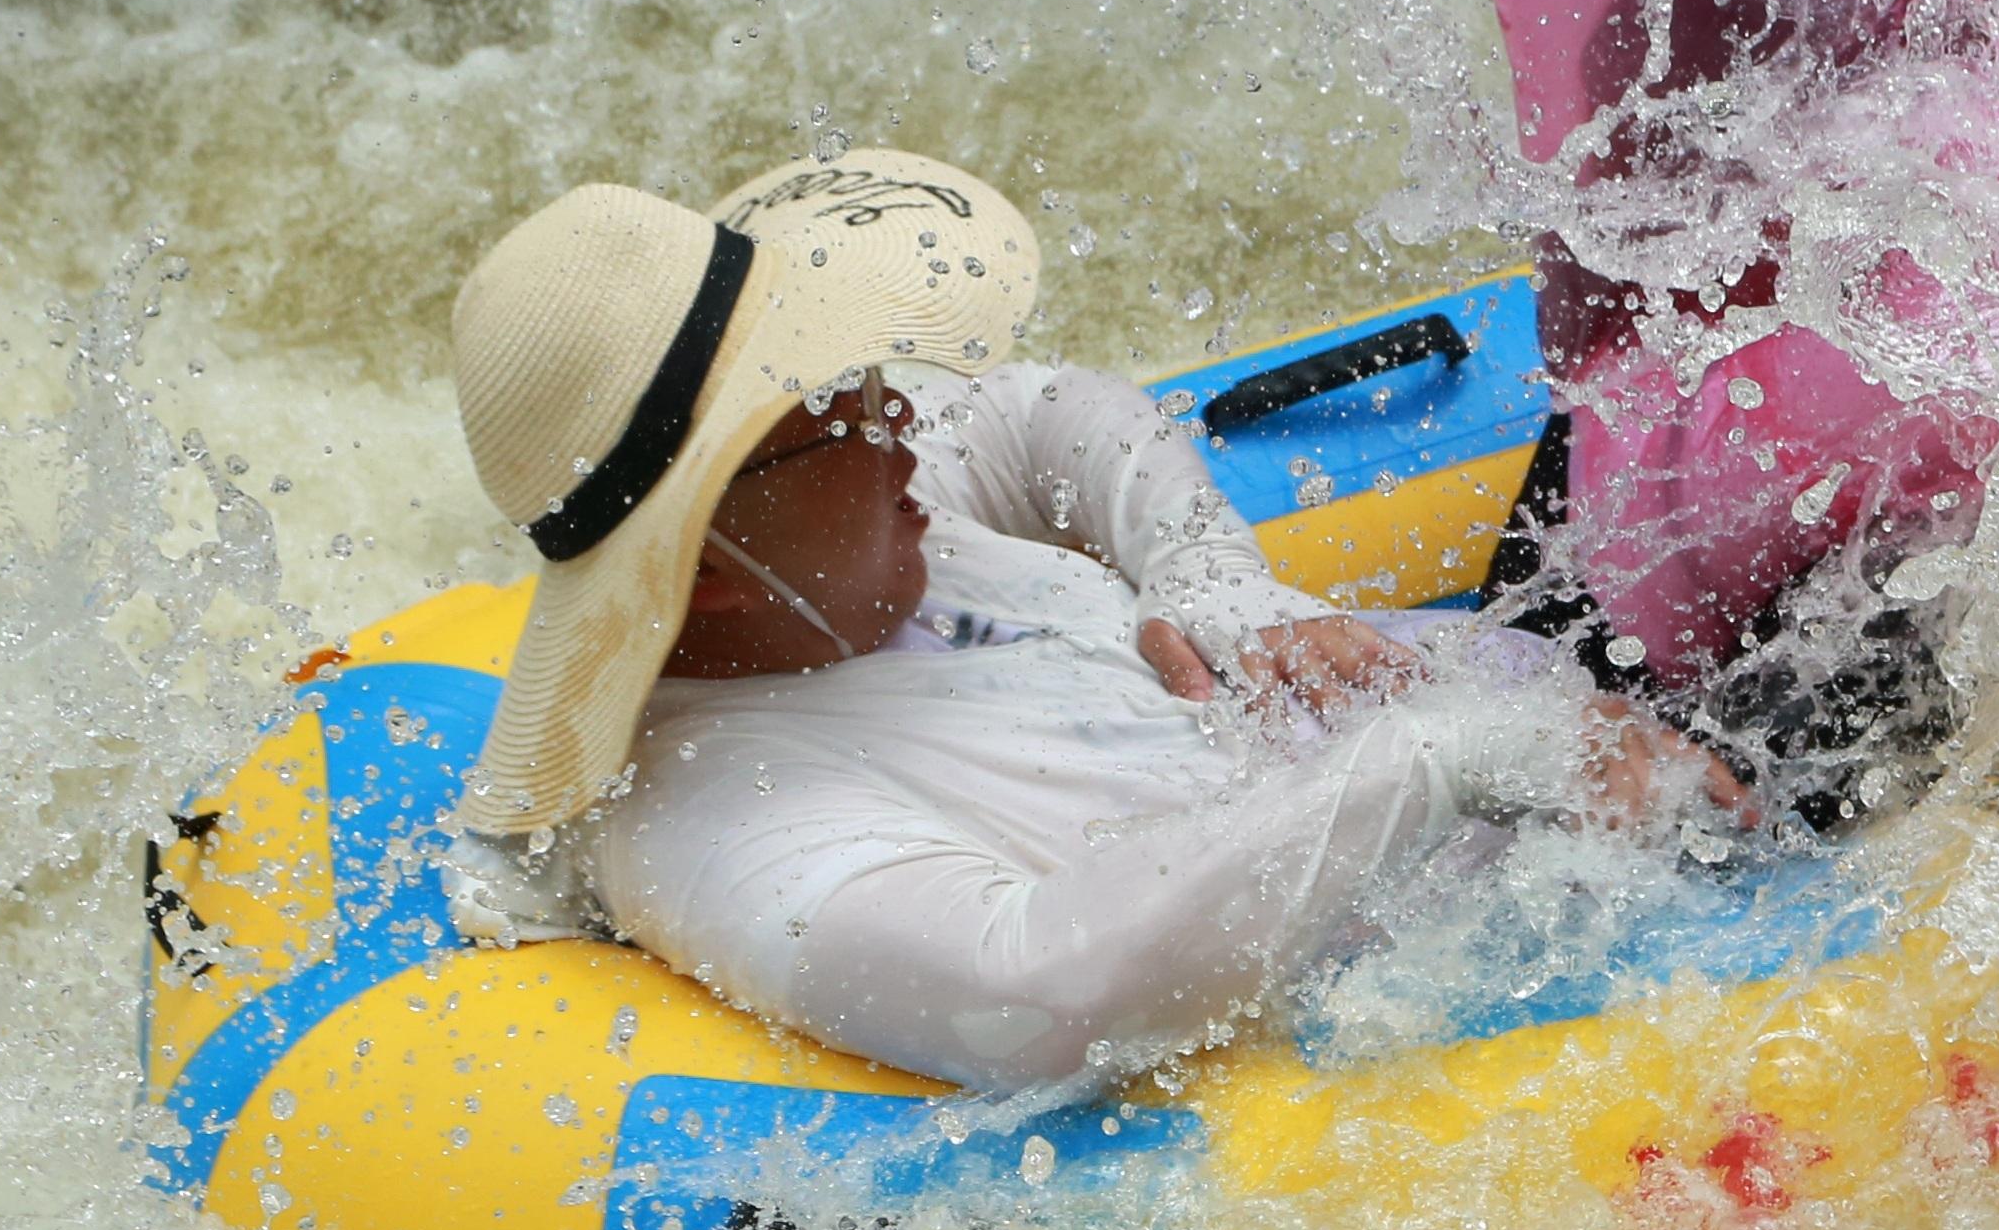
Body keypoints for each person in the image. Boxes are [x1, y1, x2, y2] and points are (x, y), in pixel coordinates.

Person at [437, 148, 1739, 1091]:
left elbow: (1039, 407)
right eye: (842, 411)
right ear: (701, 568)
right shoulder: (720, 819)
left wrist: (1211, 585)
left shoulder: (833, 539)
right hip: (1589, 961)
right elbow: (1035, 993)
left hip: (1616, 742)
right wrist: (1447, 763)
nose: (900, 416)